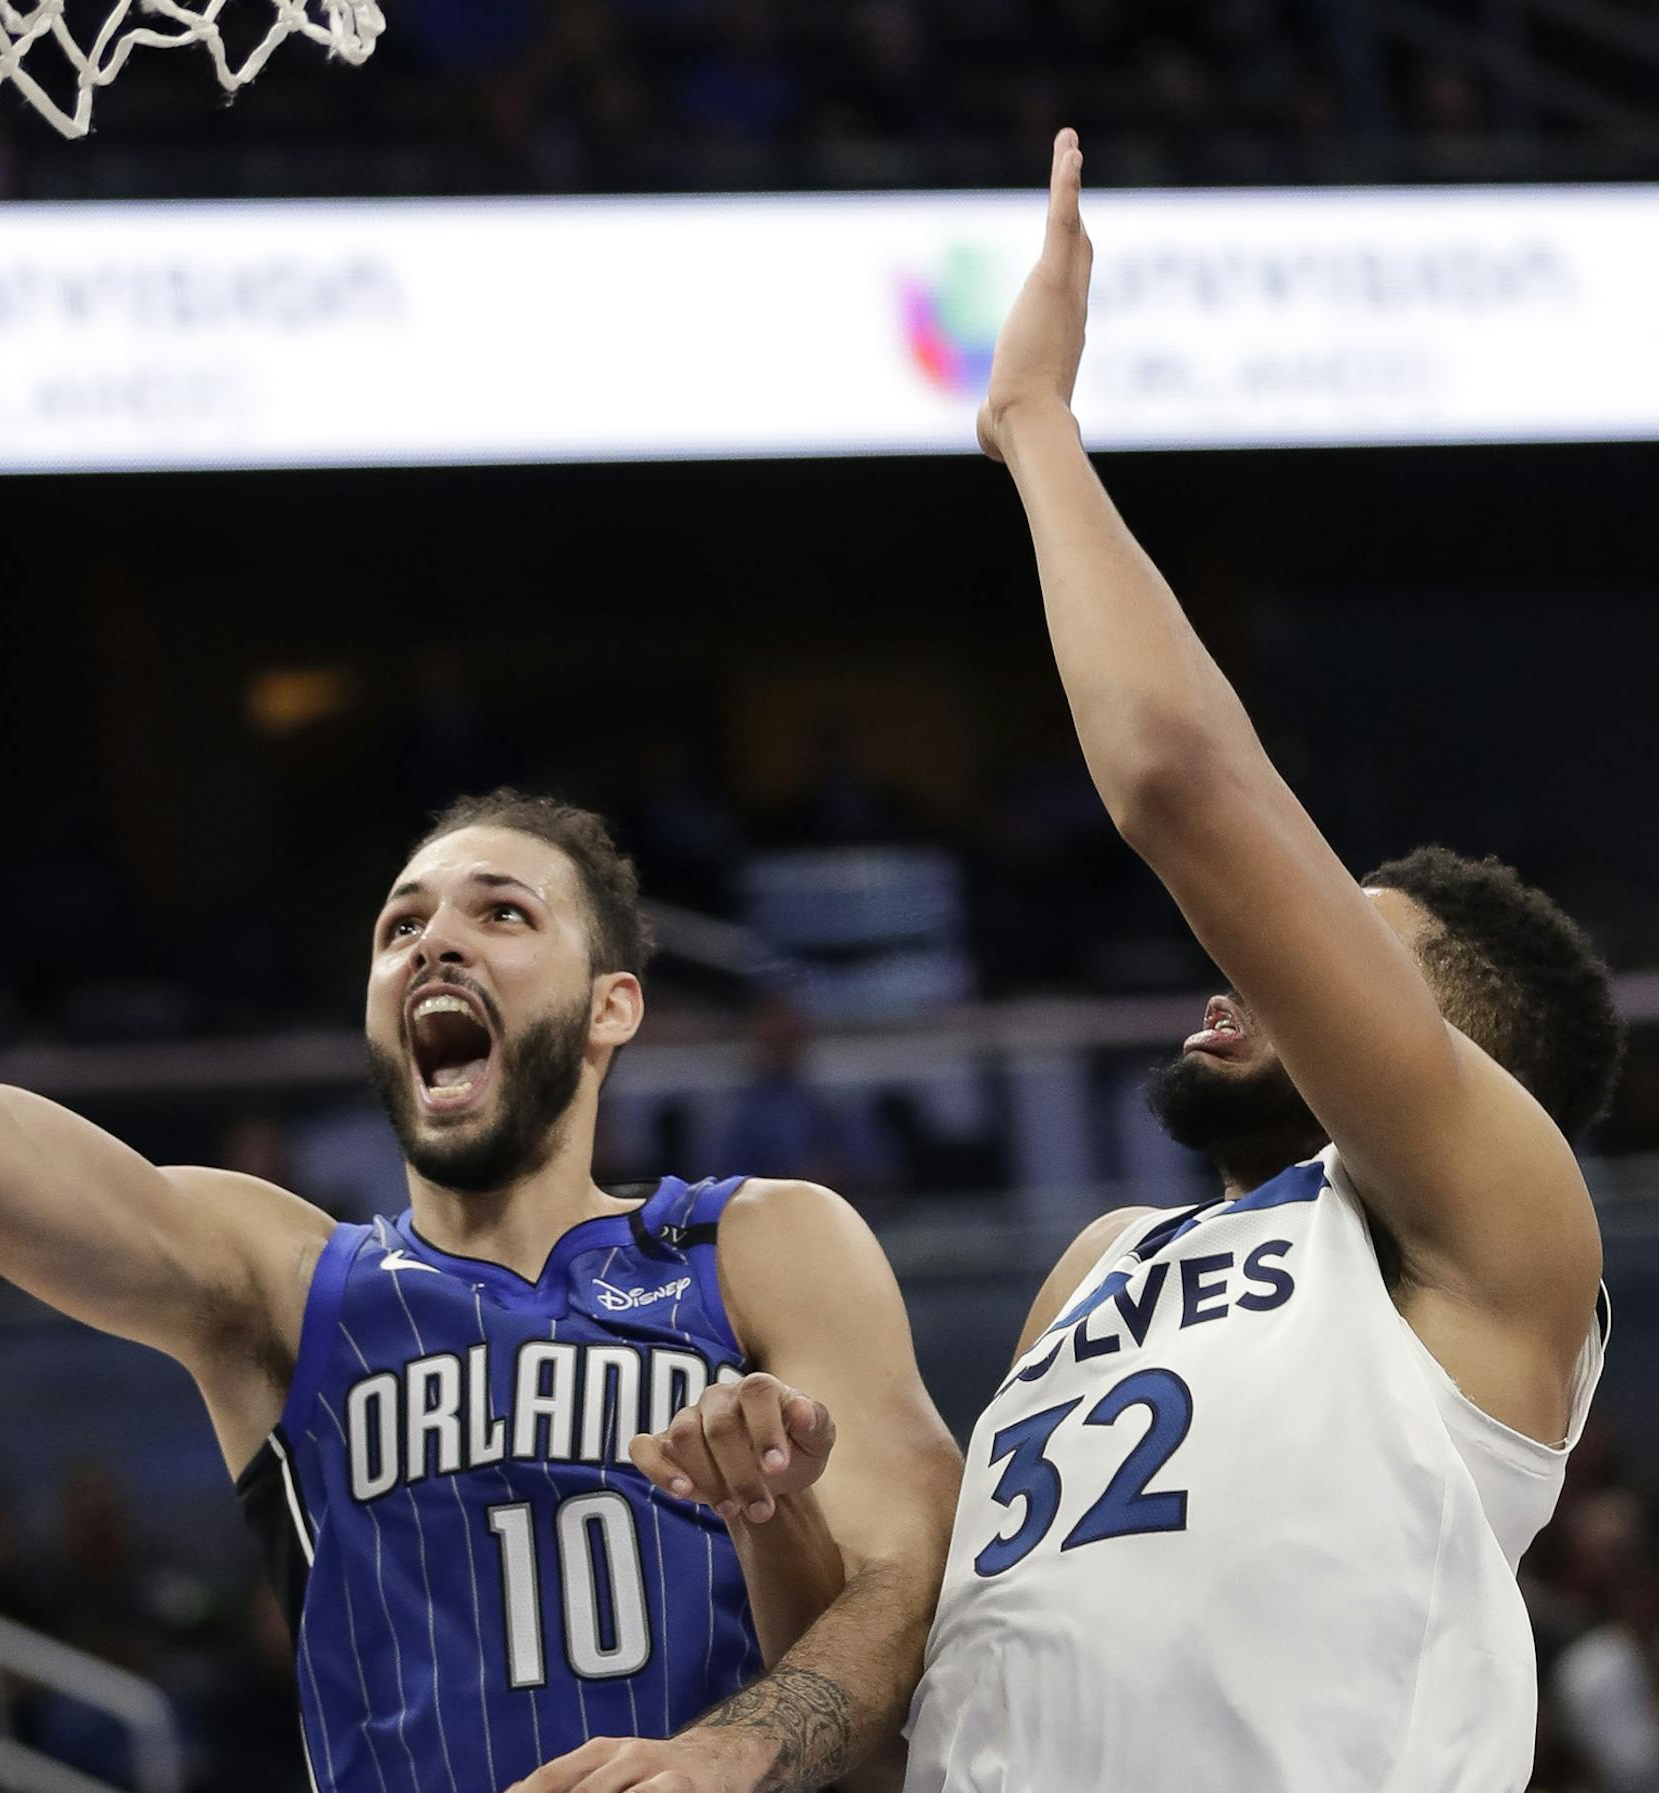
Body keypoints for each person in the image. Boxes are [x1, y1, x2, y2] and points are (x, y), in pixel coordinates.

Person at [0, 437, 960, 1793]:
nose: (433, 943)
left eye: (503, 912)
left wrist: (729, 1751)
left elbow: (912, 1577)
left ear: (612, 1008)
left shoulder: (764, 1245)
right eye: (399, 923)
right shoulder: (282, 1283)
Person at [609, 131, 1624, 1793]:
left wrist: (1032, 426)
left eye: (1325, 958)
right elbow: (920, 1735)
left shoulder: (1495, 1233)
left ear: (1451, 1050)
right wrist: (776, 1518)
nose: (1241, 969)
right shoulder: (1097, 1264)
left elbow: (1181, 782)